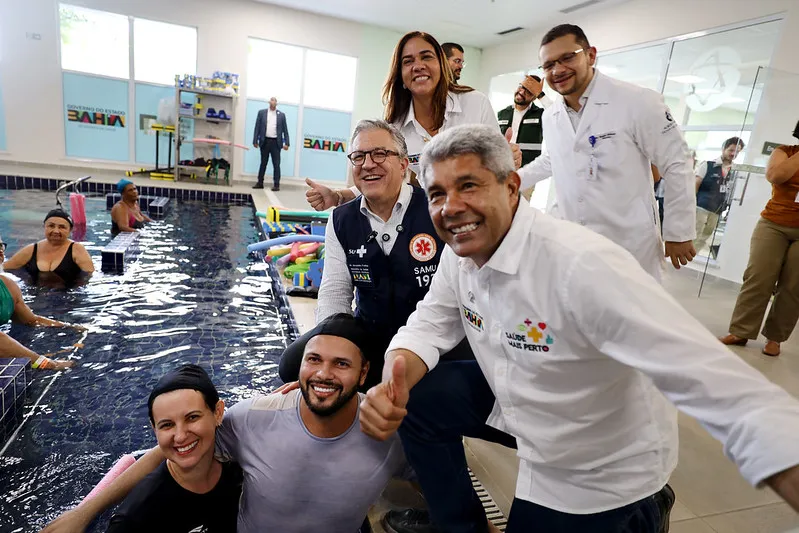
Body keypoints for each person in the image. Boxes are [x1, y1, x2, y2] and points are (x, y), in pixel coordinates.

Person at [359, 125, 799, 533]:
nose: (451, 207)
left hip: (597, 460)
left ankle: (643, 509)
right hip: (524, 398)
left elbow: (709, 379)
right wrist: (394, 376)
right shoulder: (459, 253)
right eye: (436, 193)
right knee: (419, 398)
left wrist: (786, 458)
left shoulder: (581, 265)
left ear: (512, 188)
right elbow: (430, 324)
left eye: (468, 185)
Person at [43, 314, 406, 533]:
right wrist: (84, 512)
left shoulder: (389, 432)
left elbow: (439, 472)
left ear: (364, 374)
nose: (323, 374)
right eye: (314, 360)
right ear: (301, 366)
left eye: (341, 364)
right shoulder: (254, 418)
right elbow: (173, 448)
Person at [517, 24, 697, 280]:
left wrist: (678, 232)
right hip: (572, 240)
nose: (557, 70)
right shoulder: (551, 115)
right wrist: (512, 181)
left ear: (590, 55)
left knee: (631, 312)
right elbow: (552, 159)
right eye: (548, 65)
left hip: (627, 243)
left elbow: (677, 163)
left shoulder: (637, 101)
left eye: (568, 57)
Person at [304, 31, 515, 211]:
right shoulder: (395, 126)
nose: (418, 66)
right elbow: (382, 178)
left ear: (441, 66)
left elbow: (500, 165)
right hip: (436, 218)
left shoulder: (475, 104)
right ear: (401, 75)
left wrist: (508, 159)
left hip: (482, 211)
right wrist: (337, 196)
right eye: (408, 61)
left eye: (426, 57)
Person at [106, 364, 242, 532]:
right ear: (154, 428)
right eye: (167, 425)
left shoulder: (241, 466)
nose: (180, 436)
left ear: (218, 413)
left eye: (192, 417)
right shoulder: (136, 517)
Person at [719, 124, 799, 357]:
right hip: (774, 224)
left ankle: (775, 338)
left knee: (794, 286)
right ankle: (741, 331)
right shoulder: (785, 152)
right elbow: (775, 175)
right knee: (758, 277)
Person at [0, 234, 78, 370]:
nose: (0, 251)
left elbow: (31, 321)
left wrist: (71, 327)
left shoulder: (7, 286)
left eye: (0, 246)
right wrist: (48, 364)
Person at [3, 209, 94, 285]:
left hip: (66, 297)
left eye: (62, 227)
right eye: (51, 226)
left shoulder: (77, 250)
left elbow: (90, 276)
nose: (56, 231)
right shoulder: (32, 249)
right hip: (36, 295)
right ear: (44, 227)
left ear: (70, 230)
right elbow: (4, 268)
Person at [693, 137, 745, 254]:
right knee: (695, 233)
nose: (733, 154)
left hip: (717, 209)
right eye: (731, 150)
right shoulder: (708, 165)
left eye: (737, 152)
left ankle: (692, 256)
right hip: (701, 206)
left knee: (706, 235)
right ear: (724, 149)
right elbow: (695, 185)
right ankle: (686, 258)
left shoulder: (735, 171)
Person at [497, 75, 548, 167]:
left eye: (528, 91)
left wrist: (541, 95)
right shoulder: (502, 113)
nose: (522, 92)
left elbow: (559, 115)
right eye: (521, 87)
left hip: (528, 169)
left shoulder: (541, 114)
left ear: (535, 96)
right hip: (502, 165)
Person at [252, 97, 291, 191]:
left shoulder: (281, 115)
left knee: (276, 164)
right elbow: (257, 127)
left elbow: (285, 130)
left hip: (276, 143)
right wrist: (255, 140)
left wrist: (287, 143)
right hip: (264, 141)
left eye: (274, 100)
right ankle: (260, 182)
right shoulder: (262, 113)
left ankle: (276, 184)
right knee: (263, 163)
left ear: (276, 103)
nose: (273, 102)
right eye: (271, 100)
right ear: (269, 102)